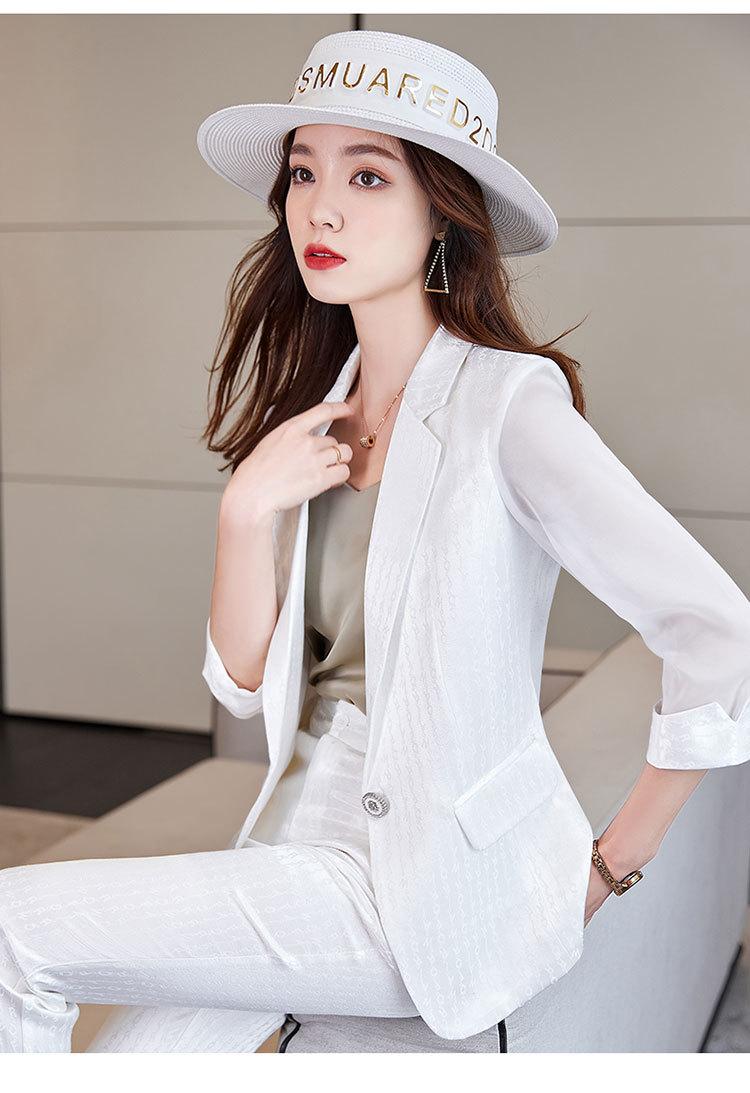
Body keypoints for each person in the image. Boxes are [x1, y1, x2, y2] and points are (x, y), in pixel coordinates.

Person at [1, 29, 749, 1054]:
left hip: (424, 885)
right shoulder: (321, 412)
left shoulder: (508, 407)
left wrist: (611, 863)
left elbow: (718, 629)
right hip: (288, 842)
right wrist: (244, 512)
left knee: (13, 928)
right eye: (303, 172)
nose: (320, 207)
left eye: (367, 175)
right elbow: (241, 683)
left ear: (443, 209)